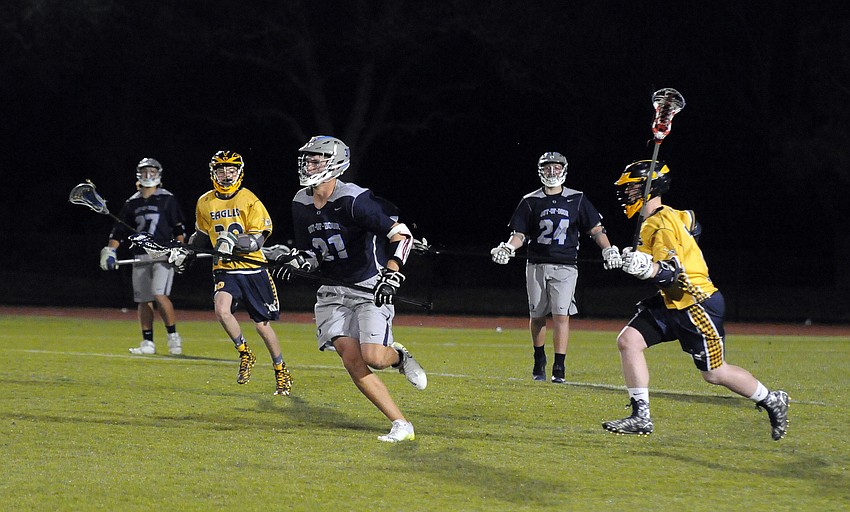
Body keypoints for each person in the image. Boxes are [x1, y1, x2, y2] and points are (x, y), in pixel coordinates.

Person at [602, 160, 788, 440]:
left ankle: (771, 399)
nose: (626, 194)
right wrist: (633, 258)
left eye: (631, 188)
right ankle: (641, 417)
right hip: (671, 301)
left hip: (695, 303)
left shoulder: (659, 223)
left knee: (714, 374)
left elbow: (670, 272)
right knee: (629, 341)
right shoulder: (669, 216)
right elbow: (693, 223)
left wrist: (645, 267)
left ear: (650, 188)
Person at [271, 135, 426, 443]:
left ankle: (398, 357)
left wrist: (392, 274)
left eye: (317, 160)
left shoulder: (354, 199)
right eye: (307, 160)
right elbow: (313, 251)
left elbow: (403, 236)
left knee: (375, 357)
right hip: (332, 290)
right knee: (350, 356)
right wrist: (299, 262)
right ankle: (400, 423)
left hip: (368, 285)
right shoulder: (300, 202)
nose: (309, 165)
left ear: (336, 164)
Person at [491, 152, 622, 383]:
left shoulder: (577, 198)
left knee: (561, 315)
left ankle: (559, 366)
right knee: (538, 315)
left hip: (565, 265)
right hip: (536, 264)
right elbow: (519, 234)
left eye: (556, 167)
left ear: (564, 170)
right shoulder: (530, 200)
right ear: (541, 170)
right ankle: (539, 358)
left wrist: (608, 249)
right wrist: (509, 248)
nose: (552, 172)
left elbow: (596, 229)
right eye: (548, 167)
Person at [169, 151, 292, 396]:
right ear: (213, 173)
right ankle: (245, 353)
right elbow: (202, 236)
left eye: (231, 170)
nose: (226, 175)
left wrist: (232, 242)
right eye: (221, 170)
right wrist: (186, 251)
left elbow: (257, 240)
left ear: (239, 172)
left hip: (253, 268)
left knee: (262, 326)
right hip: (224, 268)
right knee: (221, 310)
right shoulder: (205, 201)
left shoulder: (249, 199)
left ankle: (280, 369)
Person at [99, 158, 186, 356]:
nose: (148, 175)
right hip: (139, 254)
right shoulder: (132, 202)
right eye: (145, 171)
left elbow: (178, 227)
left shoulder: (167, 198)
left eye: (152, 171)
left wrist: (180, 248)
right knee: (143, 299)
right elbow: (119, 230)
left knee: (158, 294)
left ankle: (173, 336)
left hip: (162, 253)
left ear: (159, 174)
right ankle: (148, 342)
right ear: (138, 174)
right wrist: (110, 250)